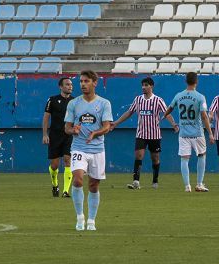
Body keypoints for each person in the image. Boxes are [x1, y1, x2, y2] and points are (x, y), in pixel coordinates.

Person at [63, 70, 113, 231]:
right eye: (81, 81)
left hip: (97, 149)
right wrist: (73, 131)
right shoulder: (74, 104)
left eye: (86, 81)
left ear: (94, 83)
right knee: (77, 179)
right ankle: (79, 217)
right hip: (79, 147)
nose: (83, 84)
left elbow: (106, 126)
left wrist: (95, 133)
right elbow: (67, 128)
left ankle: (91, 220)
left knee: (93, 185)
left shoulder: (104, 103)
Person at [111, 77, 176, 190]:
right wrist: (116, 123)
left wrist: (174, 124)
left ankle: (155, 181)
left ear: (151, 86)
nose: (143, 87)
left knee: (155, 158)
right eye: (142, 85)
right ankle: (136, 181)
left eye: (146, 85)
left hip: (154, 135)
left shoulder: (158, 100)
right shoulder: (138, 100)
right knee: (139, 155)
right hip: (141, 134)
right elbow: (129, 112)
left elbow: (167, 113)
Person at [165, 72, 214, 193]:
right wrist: (211, 133)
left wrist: (164, 115)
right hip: (197, 133)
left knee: (184, 159)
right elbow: (204, 116)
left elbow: (170, 108)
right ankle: (199, 184)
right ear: (196, 81)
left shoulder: (178, 96)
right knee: (202, 155)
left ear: (185, 81)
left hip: (183, 134)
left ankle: (187, 186)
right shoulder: (200, 97)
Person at [43, 77, 75, 198]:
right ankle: (55, 184)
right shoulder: (52, 100)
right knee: (54, 165)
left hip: (69, 135)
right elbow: (46, 117)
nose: (70, 86)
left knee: (68, 160)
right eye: (67, 84)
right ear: (61, 87)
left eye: (71, 84)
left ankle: (65, 191)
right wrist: (45, 134)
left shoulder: (75, 101)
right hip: (55, 135)